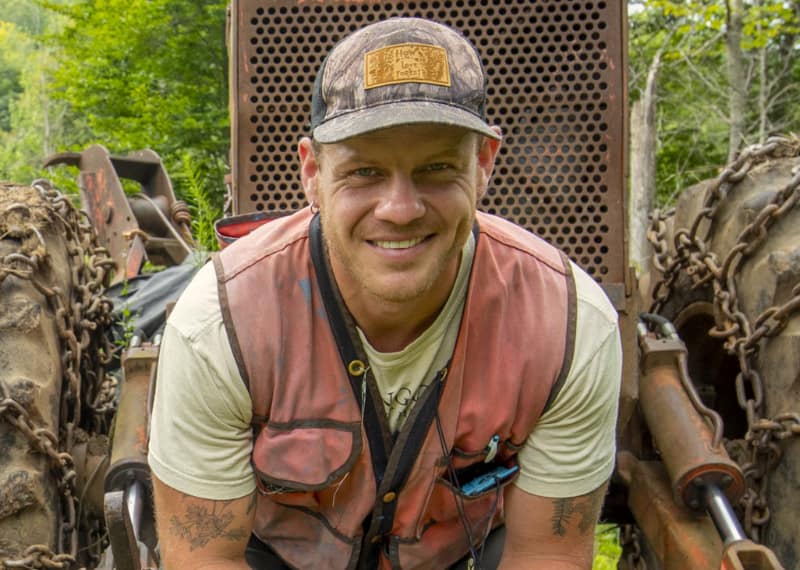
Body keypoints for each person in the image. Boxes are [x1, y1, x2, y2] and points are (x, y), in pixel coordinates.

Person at [148, 17, 622, 570]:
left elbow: (547, 553)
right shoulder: (220, 325)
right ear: (312, 172)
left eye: (438, 168)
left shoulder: (566, 327)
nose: (400, 209)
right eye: (365, 172)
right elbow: (206, 559)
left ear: (484, 163)